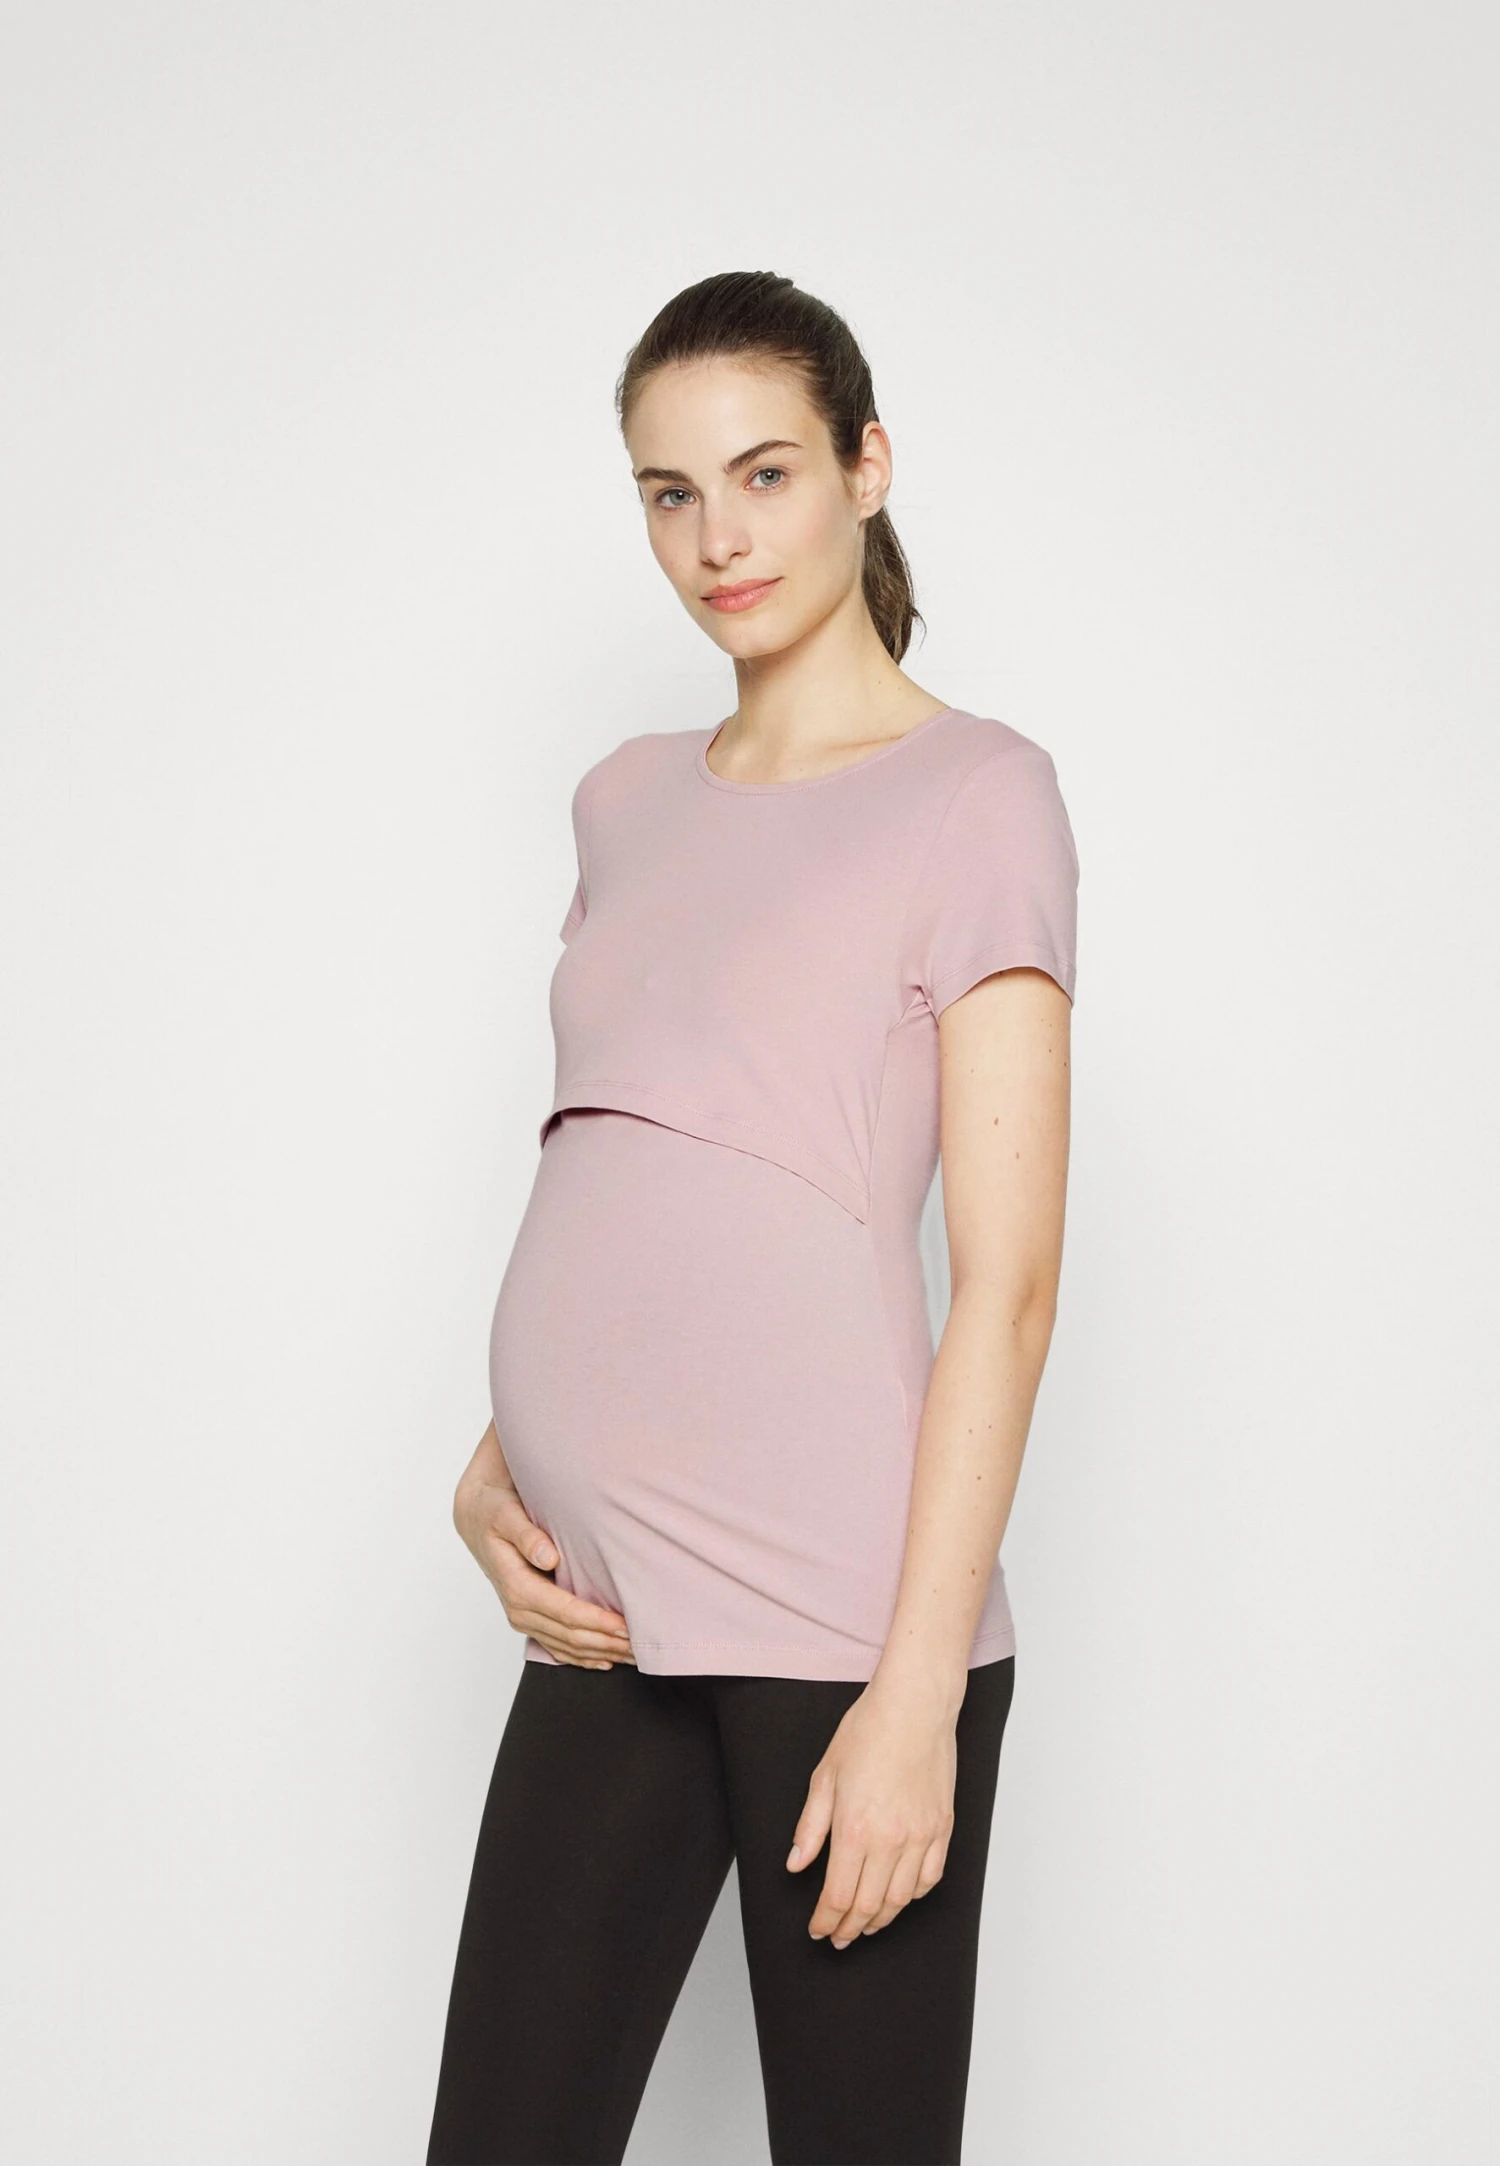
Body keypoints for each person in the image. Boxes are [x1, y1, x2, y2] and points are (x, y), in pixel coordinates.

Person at [425, 270, 1078, 2166]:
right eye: (669, 491)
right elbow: (630, 1145)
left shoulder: (979, 794)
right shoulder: (625, 799)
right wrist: (502, 1456)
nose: (718, 537)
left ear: (867, 466)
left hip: (843, 1615)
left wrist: (917, 1696)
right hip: (608, 1610)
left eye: (766, 472)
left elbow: (1009, 1287)